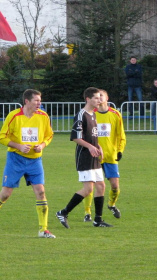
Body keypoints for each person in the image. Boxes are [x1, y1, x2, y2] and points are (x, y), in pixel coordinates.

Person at [0, 89, 56, 238]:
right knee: (5, 194)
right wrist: (19, 146)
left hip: (35, 160)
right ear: (27, 101)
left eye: (40, 100)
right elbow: (1, 137)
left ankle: (43, 229)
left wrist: (42, 145)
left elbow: (49, 135)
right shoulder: (14, 116)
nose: (39, 103)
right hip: (16, 159)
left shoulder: (43, 116)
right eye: (36, 100)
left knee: (41, 192)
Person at [56, 87, 113, 229]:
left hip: (94, 155)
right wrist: (90, 147)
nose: (99, 100)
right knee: (88, 189)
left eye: (100, 97)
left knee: (101, 186)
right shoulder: (81, 115)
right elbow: (76, 137)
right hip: (85, 156)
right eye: (96, 98)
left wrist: (98, 146)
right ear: (88, 99)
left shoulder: (93, 114)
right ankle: (63, 212)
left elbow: (92, 135)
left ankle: (98, 220)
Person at [82, 89, 126, 222]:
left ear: (107, 97)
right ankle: (87, 212)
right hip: (94, 155)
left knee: (115, 186)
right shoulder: (90, 114)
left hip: (110, 155)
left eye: (102, 95)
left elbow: (121, 135)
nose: (99, 98)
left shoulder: (115, 114)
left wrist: (120, 150)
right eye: (97, 96)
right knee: (91, 185)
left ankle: (111, 204)